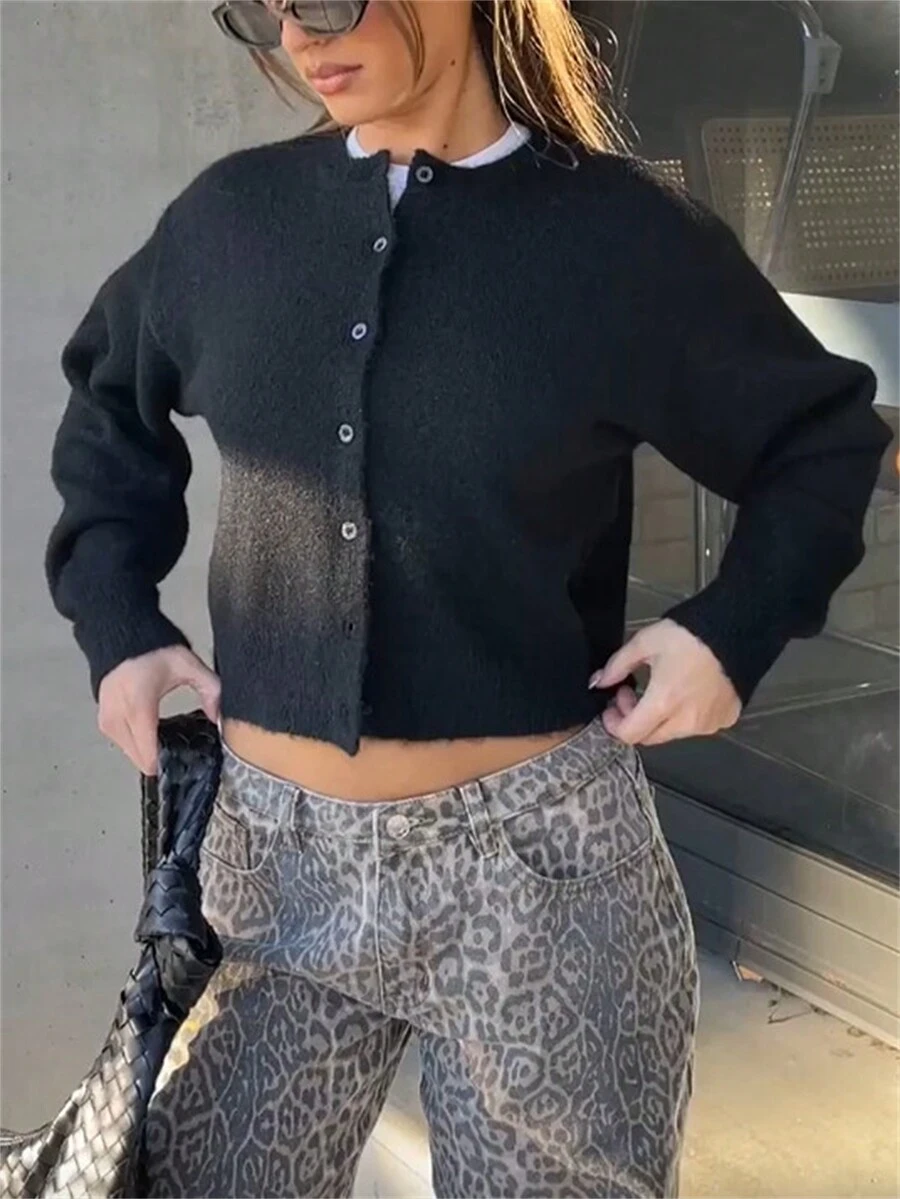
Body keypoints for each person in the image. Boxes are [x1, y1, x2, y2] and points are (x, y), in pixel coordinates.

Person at [45, 1, 891, 1196]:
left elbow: (821, 439)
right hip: (274, 871)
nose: (299, 35)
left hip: (539, 875)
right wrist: (119, 621)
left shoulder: (617, 240)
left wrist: (732, 630)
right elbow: (109, 402)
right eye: (265, 5)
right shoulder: (231, 221)